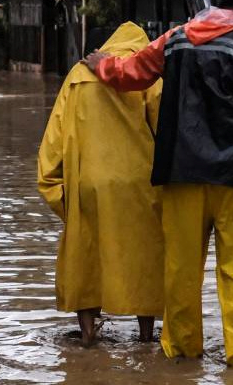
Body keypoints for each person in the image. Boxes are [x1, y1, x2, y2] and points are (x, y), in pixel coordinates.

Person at [84, 0, 233, 366]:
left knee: (180, 270)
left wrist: (100, 64)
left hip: (180, 171)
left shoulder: (174, 40)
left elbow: (131, 74)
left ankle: (182, 353)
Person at [38, 23, 165, 345]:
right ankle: (147, 336)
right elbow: (166, 132)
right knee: (144, 257)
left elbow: (52, 144)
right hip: (139, 182)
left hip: (87, 182)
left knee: (86, 257)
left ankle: (88, 334)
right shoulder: (148, 76)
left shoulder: (77, 77)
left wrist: (57, 192)